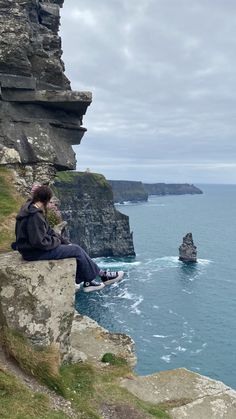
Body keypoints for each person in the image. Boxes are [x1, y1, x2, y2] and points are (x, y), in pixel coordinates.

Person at [14, 185, 124, 292]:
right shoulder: (35, 216)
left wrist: (65, 242)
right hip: (33, 253)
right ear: (46, 200)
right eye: (51, 201)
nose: (52, 204)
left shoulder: (31, 208)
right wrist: (57, 242)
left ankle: (92, 279)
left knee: (73, 248)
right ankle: (98, 277)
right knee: (76, 250)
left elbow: (48, 231)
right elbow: (39, 242)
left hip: (31, 249)